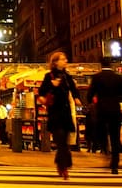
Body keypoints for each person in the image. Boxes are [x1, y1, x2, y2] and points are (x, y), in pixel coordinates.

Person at [38, 51, 82, 180]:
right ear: (55, 62)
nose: (66, 61)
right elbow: (41, 93)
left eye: (65, 59)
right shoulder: (49, 76)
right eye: (63, 59)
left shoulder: (67, 76)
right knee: (61, 141)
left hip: (66, 113)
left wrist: (77, 98)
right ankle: (64, 167)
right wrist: (51, 89)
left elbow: (74, 90)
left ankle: (60, 163)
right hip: (55, 113)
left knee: (65, 143)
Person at [87, 56, 122, 174]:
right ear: (111, 65)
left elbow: (90, 94)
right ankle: (115, 164)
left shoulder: (97, 78)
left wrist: (91, 102)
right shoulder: (118, 78)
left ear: (101, 65)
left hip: (101, 109)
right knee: (115, 136)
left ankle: (105, 150)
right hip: (115, 109)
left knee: (100, 131)